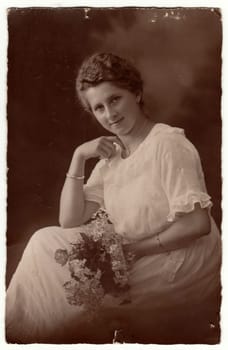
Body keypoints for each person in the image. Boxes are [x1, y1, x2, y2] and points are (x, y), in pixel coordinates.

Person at [6, 52, 221, 344]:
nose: (110, 114)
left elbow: (198, 224)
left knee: (68, 287)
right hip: (133, 252)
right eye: (98, 108)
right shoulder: (112, 159)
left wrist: (133, 250)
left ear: (136, 92)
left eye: (115, 99)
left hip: (180, 259)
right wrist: (78, 156)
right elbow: (69, 219)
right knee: (44, 241)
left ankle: (18, 338)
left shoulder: (168, 144)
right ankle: (11, 333)